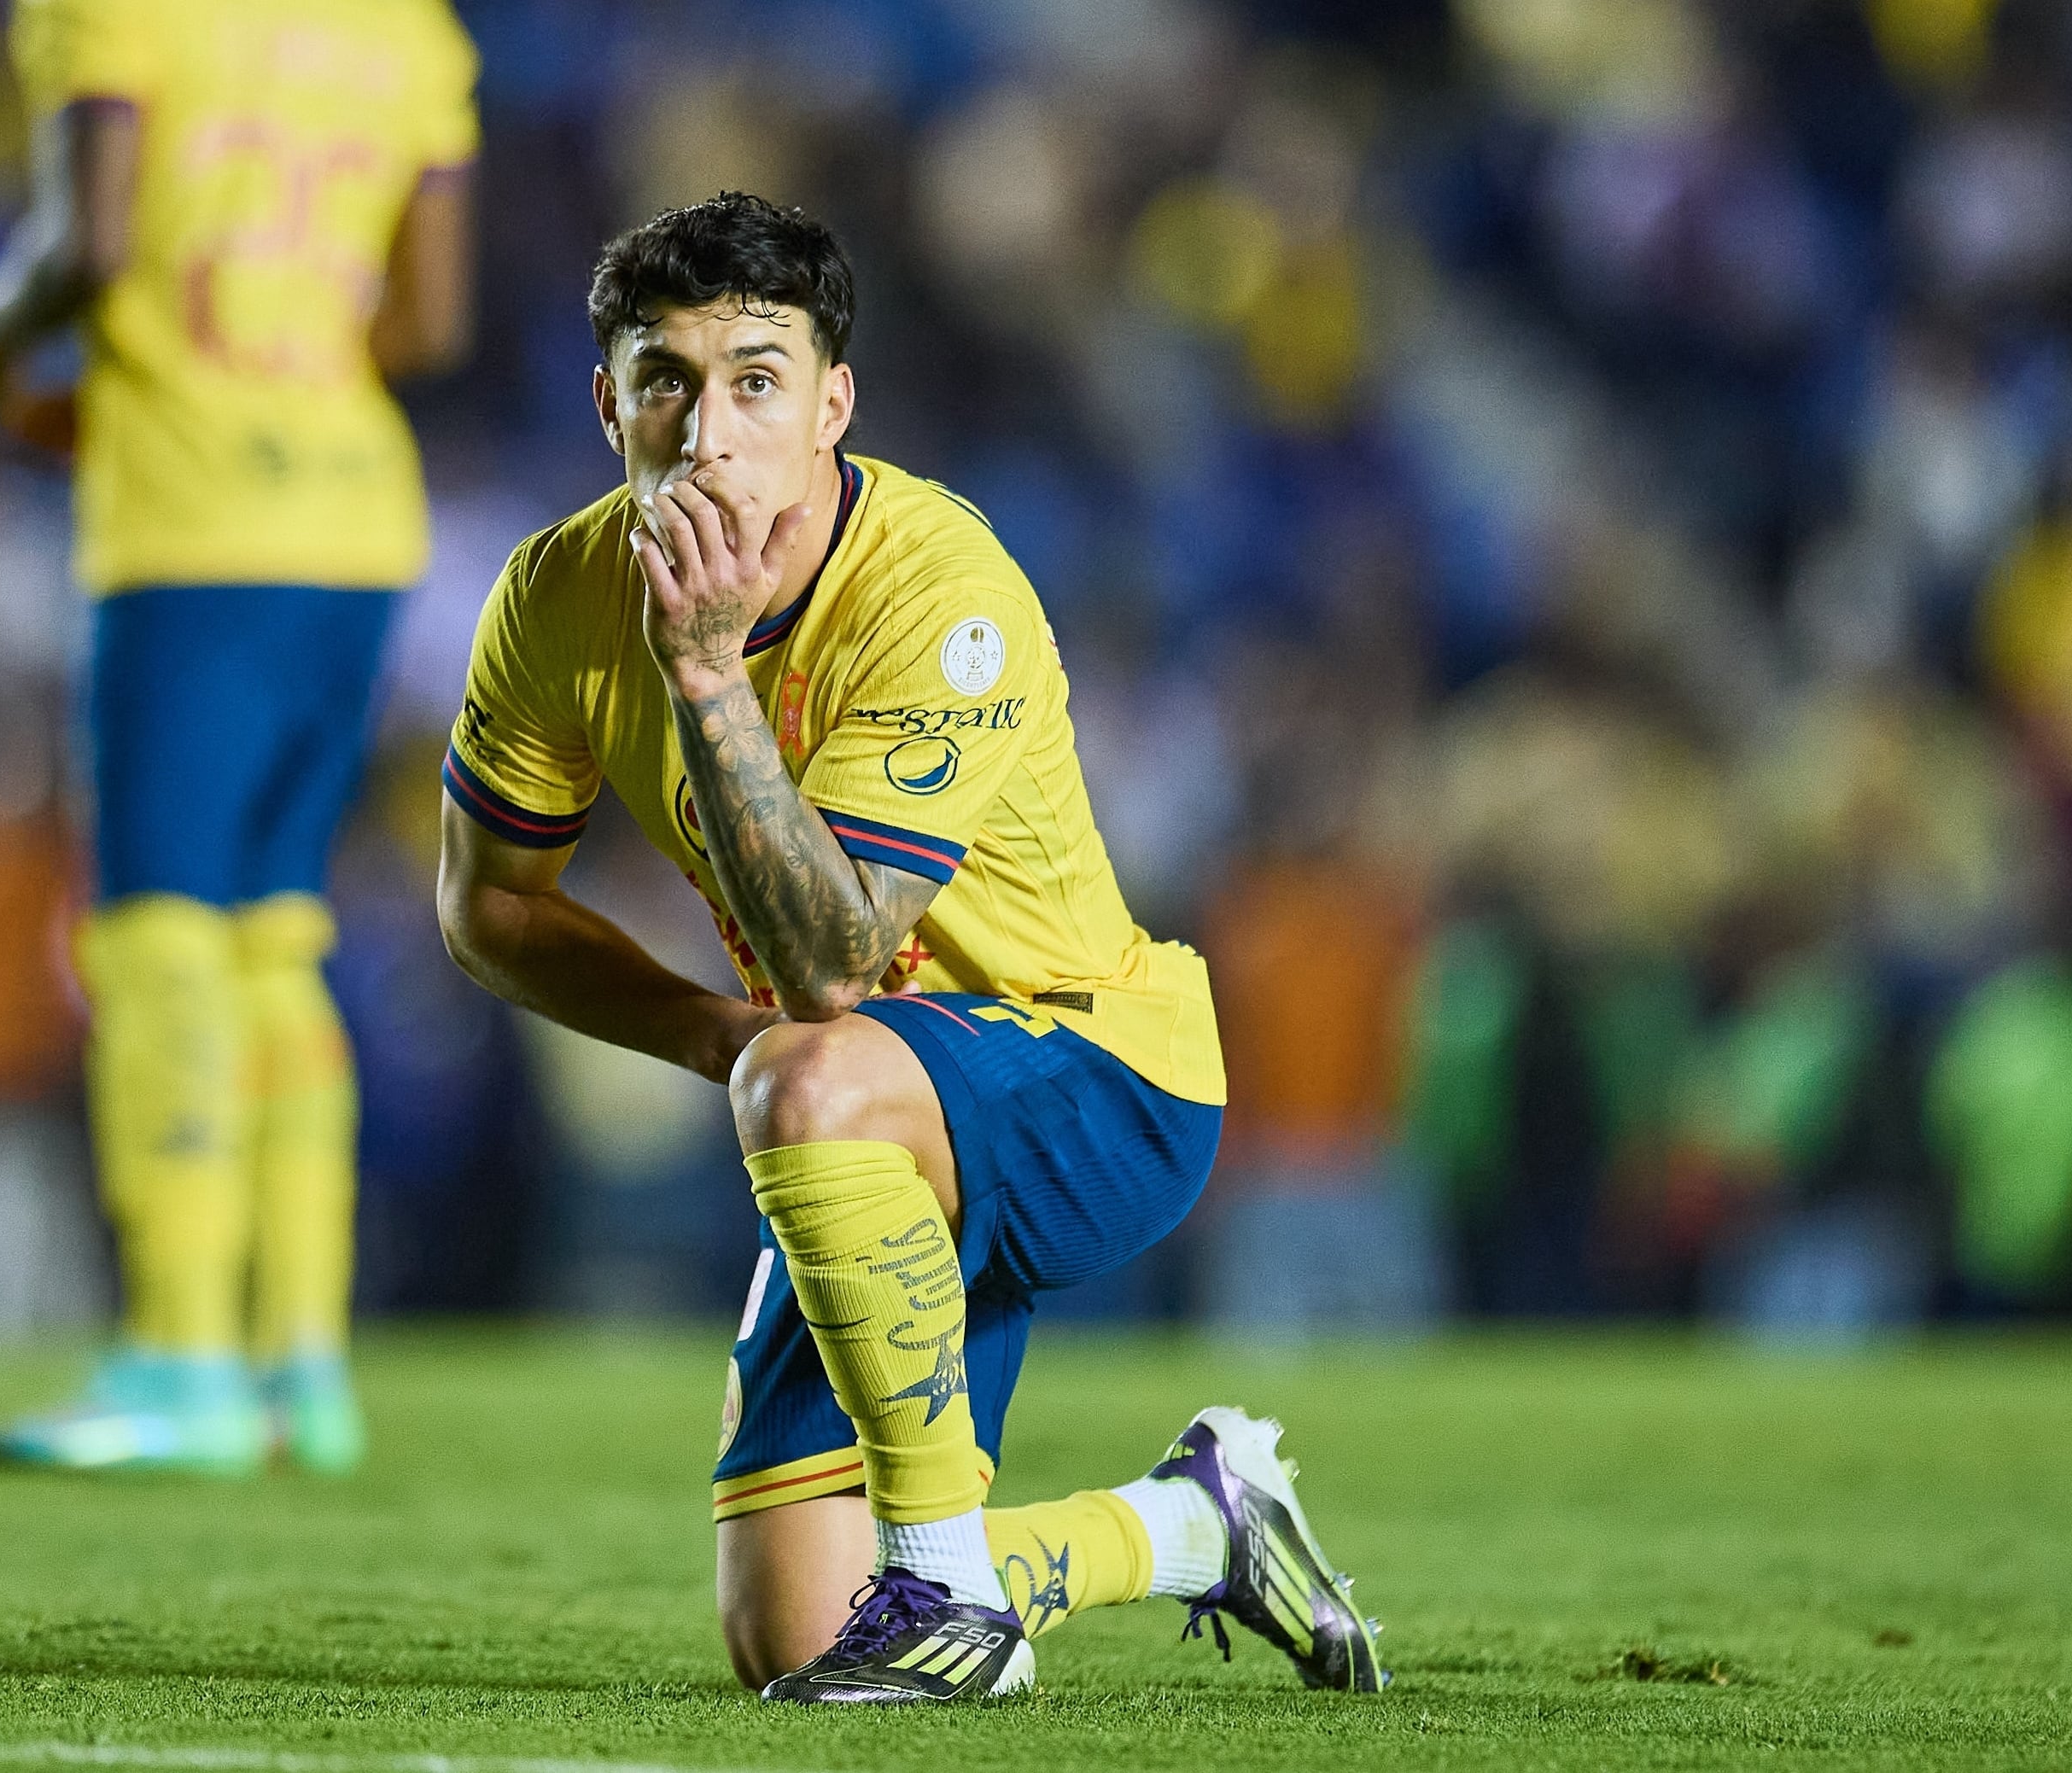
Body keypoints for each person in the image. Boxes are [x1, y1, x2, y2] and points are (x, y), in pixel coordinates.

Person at [434, 192, 1385, 1702]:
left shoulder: (943, 590)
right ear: (606, 401)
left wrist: (704, 672)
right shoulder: (555, 595)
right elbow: (489, 905)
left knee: (810, 1077)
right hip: (858, 1122)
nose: (706, 427)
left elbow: (827, 969)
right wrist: (708, 1036)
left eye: (756, 379)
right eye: (663, 379)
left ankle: (945, 1594)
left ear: (832, 404)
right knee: (793, 1639)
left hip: (1097, 1072)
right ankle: (1199, 1522)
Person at [0, 0, 478, 1476]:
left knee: (163, 933)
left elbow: (90, 249)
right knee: (272, 937)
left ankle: (181, 1353)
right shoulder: (406, 32)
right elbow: (428, 321)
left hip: (191, 518)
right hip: (356, 518)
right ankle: (302, 1360)